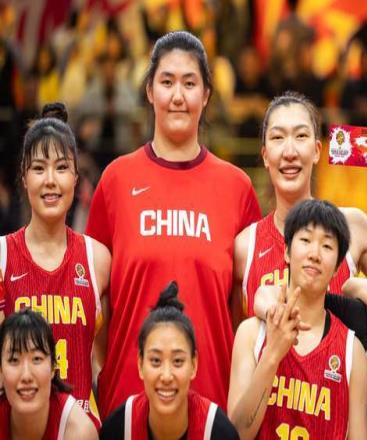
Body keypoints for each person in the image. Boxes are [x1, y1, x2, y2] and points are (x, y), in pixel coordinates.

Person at [85, 31, 261, 418]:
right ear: (150, 91)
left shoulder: (237, 188)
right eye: (167, 82)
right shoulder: (116, 181)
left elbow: (244, 310)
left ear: (206, 95)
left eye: (189, 83)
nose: (178, 96)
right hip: (127, 405)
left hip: (211, 407)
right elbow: (96, 302)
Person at [233, 91, 367, 321]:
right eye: (278, 137)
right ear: (264, 155)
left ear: (317, 151)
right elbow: (236, 337)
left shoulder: (353, 226)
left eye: (301, 136)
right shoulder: (244, 247)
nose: (289, 152)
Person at [0, 102, 110, 427]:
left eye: (61, 167)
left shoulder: (98, 259)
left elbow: (106, 362)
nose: (50, 180)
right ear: (24, 177)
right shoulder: (2, 257)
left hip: (80, 429)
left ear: (76, 177)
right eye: (38, 168)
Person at [228, 199, 367, 439]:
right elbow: (237, 434)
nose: (314, 254)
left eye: (327, 246)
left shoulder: (351, 353)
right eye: (305, 240)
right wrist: (272, 355)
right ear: (286, 251)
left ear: (338, 267)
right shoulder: (251, 334)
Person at [100, 281, 238, 439]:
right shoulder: (118, 428)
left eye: (177, 361)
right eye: (156, 361)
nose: (166, 376)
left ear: (194, 365)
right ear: (140, 364)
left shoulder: (219, 432)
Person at [0, 308, 97, 439]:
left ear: (53, 367)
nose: (26, 376)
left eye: (37, 359)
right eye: (14, 360)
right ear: (1, 369)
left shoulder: (79, 431)